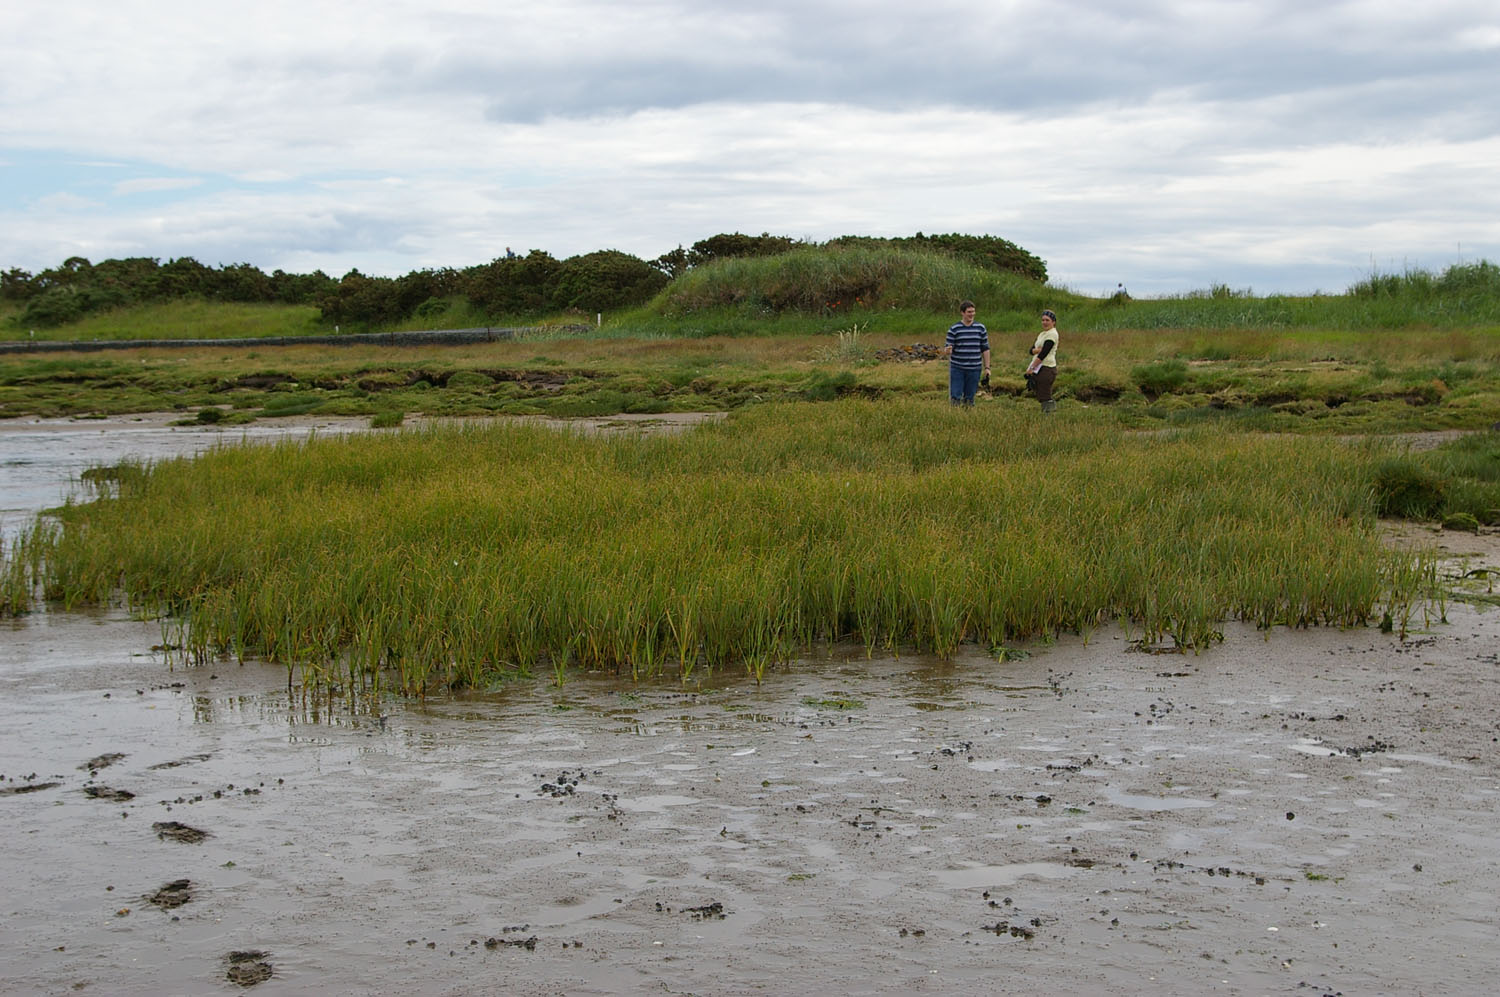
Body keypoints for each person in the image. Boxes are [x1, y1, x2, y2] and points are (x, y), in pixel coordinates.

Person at [940, 300, 990, 406]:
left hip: (975, 368)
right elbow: (947, 349)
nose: (972, 314)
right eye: (969, 312)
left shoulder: (980, 328)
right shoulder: (954, 329)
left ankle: (968, 417)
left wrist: (987, 367)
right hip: (958, 368)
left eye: (973, 312)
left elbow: (985, 349)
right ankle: (955, 416)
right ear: (962, 313)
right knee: (955, 396)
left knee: (970, 397)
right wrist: (947, 351)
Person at [1026, 309, 1060, 412]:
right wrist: (1037, 350)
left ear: (1053, 322)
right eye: (1043, 320)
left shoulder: (1052, 334)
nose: (1044, 322)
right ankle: (1047, 412)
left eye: (1047, 320)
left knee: (1045, 394)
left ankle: (1049, 414)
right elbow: (1031, 351)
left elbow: (1043, 354)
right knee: (1040, 392)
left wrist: (1032, 368)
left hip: (1047, 367)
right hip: (1039, 367)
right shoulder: (1042, 334)